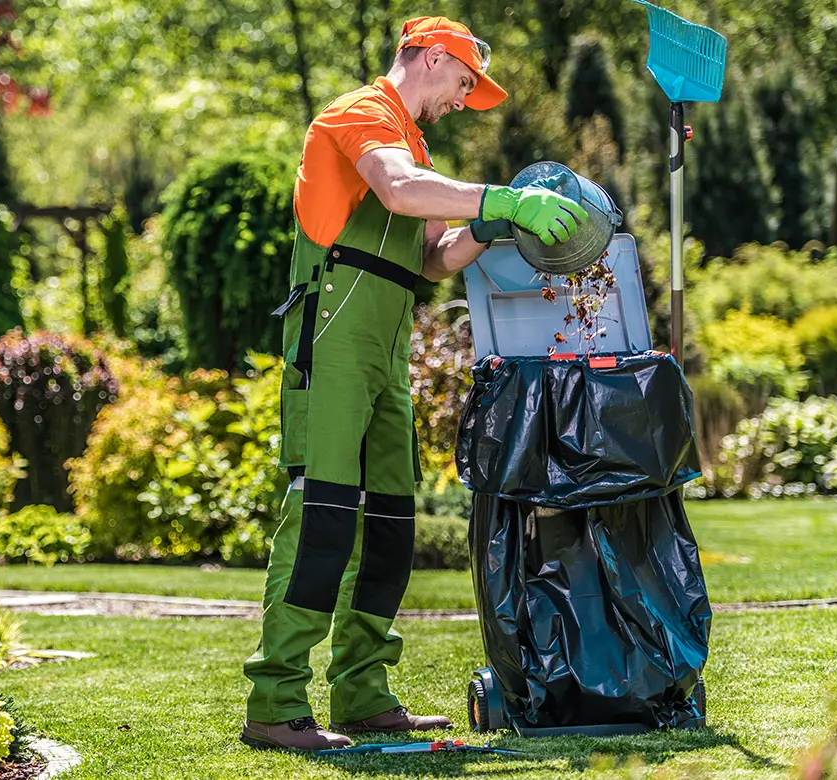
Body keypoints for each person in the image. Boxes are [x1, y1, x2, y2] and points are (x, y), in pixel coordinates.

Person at [240, 15, 588, 752]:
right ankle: (275, 703)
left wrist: (489, 229)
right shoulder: (363, 115)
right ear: (430, 57)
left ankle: (363, 692)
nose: (464, 100)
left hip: (387, 342)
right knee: (324, 516)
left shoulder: (416, 143)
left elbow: (432, 260)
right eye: (463, 83)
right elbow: (397, 192)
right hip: (335, 332)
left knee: (392, 525)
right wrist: (499, 198)